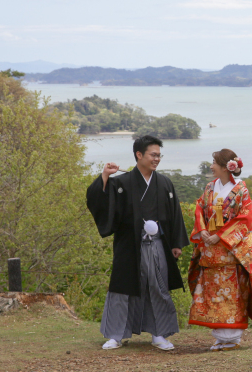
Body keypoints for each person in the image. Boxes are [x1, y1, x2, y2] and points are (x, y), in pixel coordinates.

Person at [86, 135, 190, 351]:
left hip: (158, 244)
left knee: (158, 287)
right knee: (122, 289)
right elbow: (98, 200)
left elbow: (175, 214)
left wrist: (176, 243)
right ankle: (116, 335)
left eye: (159, 155)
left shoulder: (164, 183)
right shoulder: (121, 183)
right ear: (139, 155)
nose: (157, 159)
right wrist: (105, 176)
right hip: (129, 245)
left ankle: (159, 334)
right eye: (153, 155)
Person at [188, 148, 252, 351]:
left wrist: (220, 236)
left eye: (214, 163)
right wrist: (203, 230)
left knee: (231, 294)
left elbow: (245, 218)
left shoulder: (241, 189)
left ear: (225, 167)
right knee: (213, 293)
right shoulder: (209, 187)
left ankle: (232, 338)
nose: (211, 166)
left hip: (230, 251)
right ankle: (221, 338)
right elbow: (199, 208)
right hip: (210, 250)